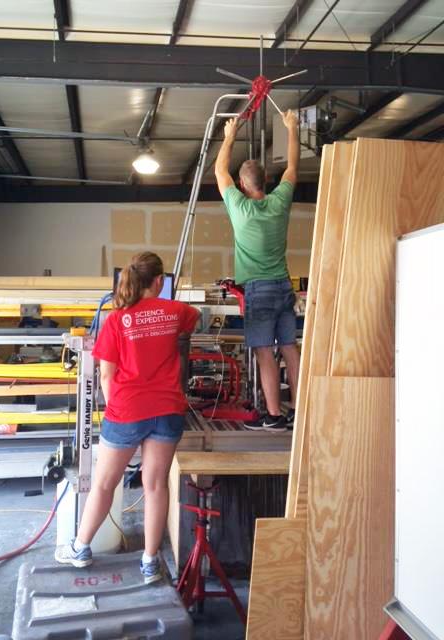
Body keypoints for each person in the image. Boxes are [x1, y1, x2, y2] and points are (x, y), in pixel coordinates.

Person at [55, 252, 200, 584]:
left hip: (126, 411)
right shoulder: (176, 311)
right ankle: (150, 563)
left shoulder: (116, 320)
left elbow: (106, 378)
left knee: (104, 484)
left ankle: (80, 548)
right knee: (155, 485)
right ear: (159, 282)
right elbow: (195, 318)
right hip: (167, 410)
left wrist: (118, 410)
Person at [214, 109, 300, 431]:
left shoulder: (240, 208)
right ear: (265, 182)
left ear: (241, 185)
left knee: (265, 352)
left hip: (260, 291)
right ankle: (300, 409)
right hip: (283, 286)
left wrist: (230, 136)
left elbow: (219, 169)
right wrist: (291, 128)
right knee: (290, 348)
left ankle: (275, 416)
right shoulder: (280, 202)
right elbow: (293, 166)